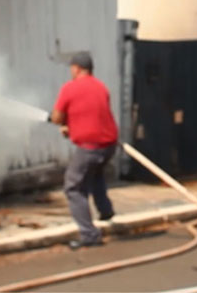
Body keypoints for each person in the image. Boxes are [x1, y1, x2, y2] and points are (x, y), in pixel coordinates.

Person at [49, 51, 118, 250]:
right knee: (95, 174)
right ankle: (106, 211)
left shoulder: (69, 88)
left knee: (73, 187)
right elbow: (91, 113)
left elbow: (56, 117)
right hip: (109, 145)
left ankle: (89, 235)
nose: (71, 71)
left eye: (71, 67)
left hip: (90, 147)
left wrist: (61, 122)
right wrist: (71, 126)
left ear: (77, 68)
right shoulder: (101, 87)